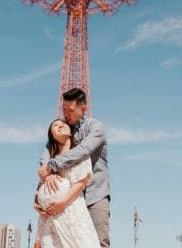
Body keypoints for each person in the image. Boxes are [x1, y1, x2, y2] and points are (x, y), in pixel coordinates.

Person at [37, 87, 110, 247]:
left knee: (98, 242)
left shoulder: (95, 128)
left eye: (69, 110)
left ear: (82, 108)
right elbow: (45, 157)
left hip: (94, 196)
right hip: (68, 202)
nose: (65, 114)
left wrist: (52, 165)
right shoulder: (63, 130)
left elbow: (83, 151)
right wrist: (47, 175)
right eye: (63, 109)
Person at [34, 119, 100, 248]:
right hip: (48, 218)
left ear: (71, 132)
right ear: (51, 137)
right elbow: (40, 186)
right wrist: (37, 202)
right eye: (55, 126)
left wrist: (62, 203)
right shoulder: (49, 162)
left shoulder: (80, 154)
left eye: (63, 124)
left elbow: (81, 182)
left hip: (71, 211)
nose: (60, 126)